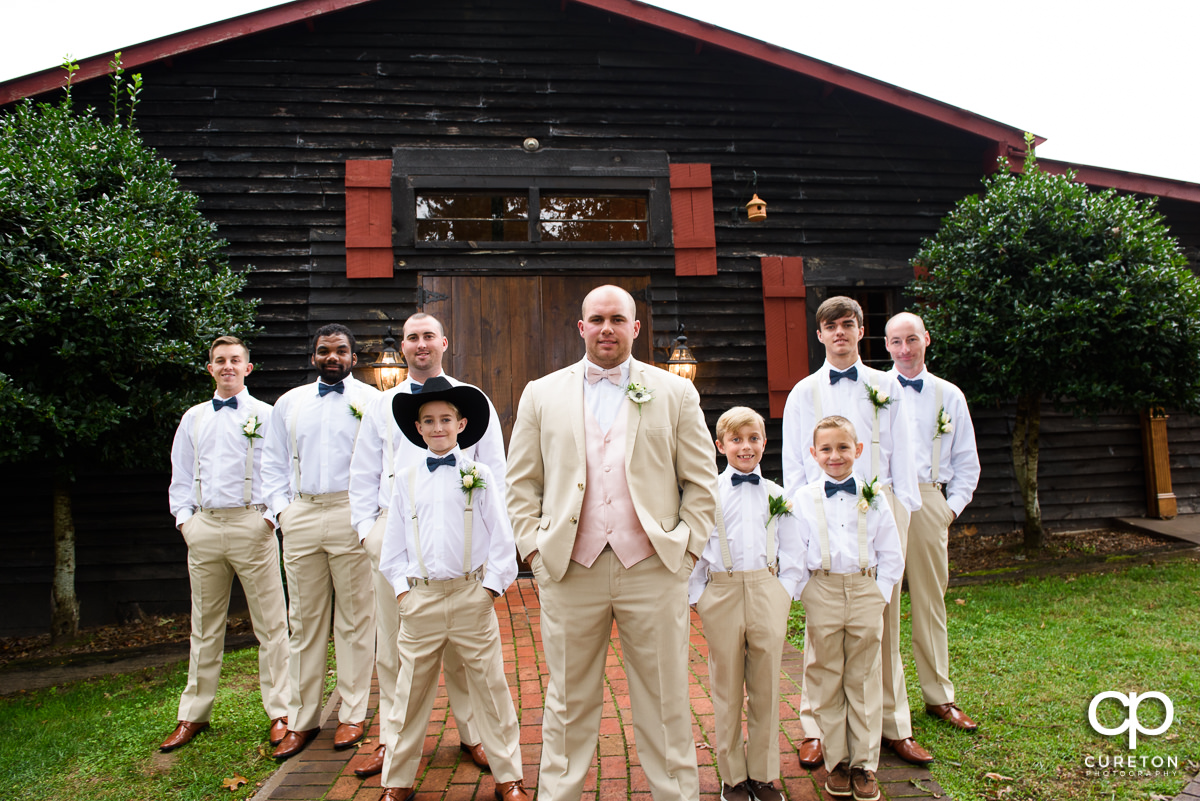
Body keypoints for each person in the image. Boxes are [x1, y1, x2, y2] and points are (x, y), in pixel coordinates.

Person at [507, 284, 718, 801]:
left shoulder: (674, 392)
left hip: (652, 567)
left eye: (617, 319)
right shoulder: (541, 392)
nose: (607, 328)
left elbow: (701, 480)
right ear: (581, 327)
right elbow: (521, 484)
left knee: (665, 696)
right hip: (570, 568)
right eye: (597, 319)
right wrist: (535, 550)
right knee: (567, 699)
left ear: (635, 328)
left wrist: (686, 549)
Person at [348, 312, 502, 777]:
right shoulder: (383, 404)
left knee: (463, 649)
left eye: (428, 336)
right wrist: (368, 533)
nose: (420, 344)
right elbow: (362, 472)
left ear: (444, 342)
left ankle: (474, 733)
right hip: (396, 543)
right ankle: (392, 743)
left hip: (459, 543)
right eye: (412, 337)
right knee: (394, 647)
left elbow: (496, 468)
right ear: (404, 345)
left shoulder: (473, 400)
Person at [781, 296, 930, 767]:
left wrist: (903, 505)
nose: (840, 333)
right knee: (821, 628)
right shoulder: (803, 391)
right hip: (820, 512)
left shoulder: (886, 385)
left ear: (861, 331)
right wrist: (796, 516)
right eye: (830, 326)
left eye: (848, 325)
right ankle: (816, 727)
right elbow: (793, 462)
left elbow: (902, 449)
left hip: (878, 508)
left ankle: (892, 725)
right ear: (820, 335)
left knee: (881, 620)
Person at [375, 377, 527, 801]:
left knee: (491, 688)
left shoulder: (478, 476)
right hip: (420, 599)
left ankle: (508, 776)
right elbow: (393, 549)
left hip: (469, 597)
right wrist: (405, 593)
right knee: (409, 694)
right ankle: (397, 780)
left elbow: (502, 540)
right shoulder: (404, 479)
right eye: (429, 421)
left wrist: (488, 592)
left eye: (445, 419)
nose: (438, 427)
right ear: (418, 428)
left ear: (461, 424)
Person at [160, 335, 290, 752]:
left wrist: (268, 519)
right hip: (204, 528)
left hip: (252, 524)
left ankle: (281, 711)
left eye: (235, 360)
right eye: (220, 361)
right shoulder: (193, 417)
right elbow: (180, 475)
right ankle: (193, 714)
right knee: (204, 625)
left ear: (248, 368)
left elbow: (282, 471)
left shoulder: (267, 416)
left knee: (271, 624)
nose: (228, 366)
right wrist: (185, 522)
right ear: (211, 369)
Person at [261, 324, 379, 759]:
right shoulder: (289, 403)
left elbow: (380, 463)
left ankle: (352, 714)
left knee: (354, 621)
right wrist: (282, 512)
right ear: (313, 356)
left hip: (352, 512)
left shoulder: (372, 402)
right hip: (303, 514)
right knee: (304, 622)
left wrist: (368, 519)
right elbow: (270, 463)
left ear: (353, 356)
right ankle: (302, 718)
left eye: (341, 350)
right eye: (324, 351)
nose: (333, 357)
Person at [688, 406, 802, 801]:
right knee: (726, 690)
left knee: (767, 687)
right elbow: (696, 551)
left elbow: (794, 552)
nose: (746, 447)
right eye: (736, 440)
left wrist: (784, 592)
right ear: (720, 446)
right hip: (720, 594)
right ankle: (733, 777)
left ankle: (765, 774)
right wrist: (699, 597)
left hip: (767, 590)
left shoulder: (777, 495)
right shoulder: (709, 495)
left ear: (764, 443)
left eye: (753, 438)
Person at [795, 416, 904, 801]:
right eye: (826, 448)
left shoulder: (874, 495)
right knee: (826, 677)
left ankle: (864, 765)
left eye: (843, 447)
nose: (835, 455)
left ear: (857, 450)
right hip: (821, 588)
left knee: (862, 678)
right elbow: (795, 549)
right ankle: (837, 761)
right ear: (813, 454)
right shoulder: (804, 498)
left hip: (864, 588)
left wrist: (881, 594)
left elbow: (892, 551)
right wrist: (804, 592)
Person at [885, 311, 981, 732]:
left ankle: (939, 696)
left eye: (911, 339)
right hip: (885, 498)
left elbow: (966, 462)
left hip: (927, 499)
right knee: (884, 604)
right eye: (895, 342)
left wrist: (949, 508)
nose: (904, 349)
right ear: (885, 345)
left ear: (926, 339)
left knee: (929, 601)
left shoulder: (949, 395)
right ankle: (888, 702)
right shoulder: (875, 389)